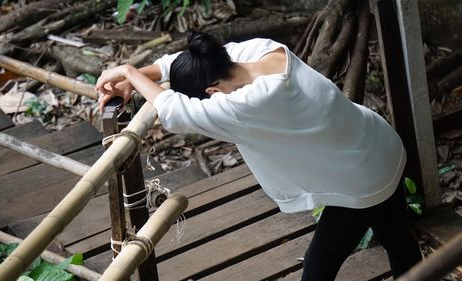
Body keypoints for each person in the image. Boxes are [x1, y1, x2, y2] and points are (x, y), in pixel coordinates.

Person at [95, 31, 422, 280]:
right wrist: (136, 77)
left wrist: (128, 71)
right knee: (398, 240)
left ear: (212, 91)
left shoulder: (248, 104)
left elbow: (176, 111)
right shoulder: (261, 50)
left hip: (359, 181)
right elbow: (187, 62)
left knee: (317, 270)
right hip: (379, 145)